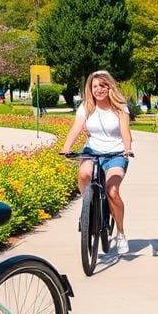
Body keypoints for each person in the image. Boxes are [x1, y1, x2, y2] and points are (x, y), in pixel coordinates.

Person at [60, 70, 134, 254]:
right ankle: (88, 207)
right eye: (95, 87)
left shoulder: (120, 107)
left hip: (116, 154)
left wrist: (127, 148)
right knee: (84, 174)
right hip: (92, 152)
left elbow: (125, 131)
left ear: (109, 87)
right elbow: (76, 128)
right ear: (90, 89)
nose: (99, 90)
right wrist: (66, 147)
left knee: (113, 191)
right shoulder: (86, 107)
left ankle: (120, 233)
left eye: (102, 86)